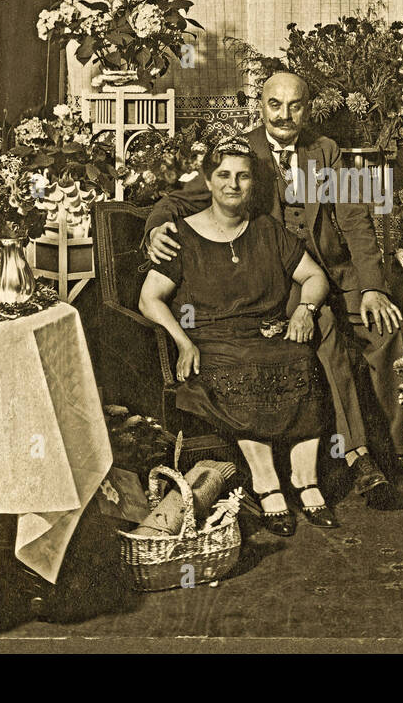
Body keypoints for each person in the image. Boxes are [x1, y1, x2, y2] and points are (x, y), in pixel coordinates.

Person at [145, 71, 403, 507]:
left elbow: (357, 222)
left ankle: (394, 454)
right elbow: (178, 200)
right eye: (274, 105)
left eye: (295, 105)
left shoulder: (326, 153)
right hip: (278, 283)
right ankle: (359, 459)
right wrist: (155, 229)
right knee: (319, 323)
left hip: (334, 276)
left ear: (308, 107)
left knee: (388, 330)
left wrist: (372, 289)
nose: (284, 115)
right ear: (259, 105)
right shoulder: (242, 154)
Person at [138, 138, 337, 536]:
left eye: (242, 176)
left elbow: (315, 276)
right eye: (223, 175)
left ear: (252, 183)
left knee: (299, 358)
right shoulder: (181, 234)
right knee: (242, 368)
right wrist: (183, 341)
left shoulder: (267, 230)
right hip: (211, 341)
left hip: (264, 334)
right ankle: (268, 486)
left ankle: (306, 481)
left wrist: (305, 308)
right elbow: (149, 299)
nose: (233, 184)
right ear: (208, 182)